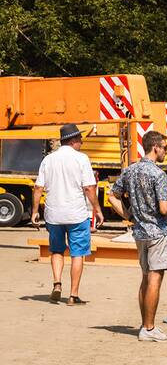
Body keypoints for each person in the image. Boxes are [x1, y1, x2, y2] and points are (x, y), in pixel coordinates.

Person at [109, 130, 167, 342]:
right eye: (164, 147)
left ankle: (145, 324)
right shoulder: (159, 174)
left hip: (139, 232)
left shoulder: (130, 171)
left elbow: (112, 196)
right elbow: (164, 209)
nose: (166, 151)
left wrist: (127, 214)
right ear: (155, 147)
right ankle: (149, 328)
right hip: (157, 231)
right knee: (156, 277)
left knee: (145, 277)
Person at [30, 123, 103, 305]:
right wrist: (97, 209)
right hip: (76, 215)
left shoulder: (48, 160)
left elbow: (38, 187)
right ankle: (73, 295)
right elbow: (88, 187)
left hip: (54, 215)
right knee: (77, 253)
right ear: (72, 141)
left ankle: (57, 283)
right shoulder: (81, 159)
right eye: (79, 139)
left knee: (56, 250)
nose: (81, 143)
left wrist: (34, 211)